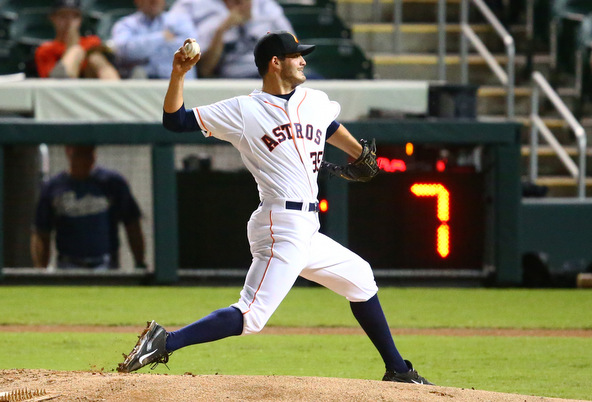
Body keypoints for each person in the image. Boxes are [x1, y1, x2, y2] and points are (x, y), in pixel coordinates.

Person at [117, 31, 433, 385]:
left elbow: (331, 128)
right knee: (251, 316)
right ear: (275, 62)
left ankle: (399, 371)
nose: (303, 61)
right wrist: (179, 74)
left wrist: (358, 155)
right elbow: (175, 121)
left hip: (308, 228)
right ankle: (164, 341)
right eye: (296, 56)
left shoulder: (314, 100)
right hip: (279, 223)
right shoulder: (243, 110)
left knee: (360, 279)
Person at [31, 145, 145, 270]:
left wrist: (139, 262)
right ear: (68, 152)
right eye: (80, 154)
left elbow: (132, 224)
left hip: (105, 263)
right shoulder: (54, 187)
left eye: (89, 153)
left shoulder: (112, 183)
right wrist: (41, 269)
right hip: (68, 264)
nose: (85, 159)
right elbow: (42, 232)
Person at [170, 0, 294, 78]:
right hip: (237, 77)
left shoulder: (266, 6)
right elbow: (204, 70)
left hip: (275, 73)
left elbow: (292, 46)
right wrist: (222, 30)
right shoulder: (192, 5)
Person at [110, 0, 198, 79]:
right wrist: (162, 37)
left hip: (178, 81)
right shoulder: (125, 24)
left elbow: (192, 50)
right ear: (137, 1)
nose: (154, 1)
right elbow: (125, 51)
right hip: (142, 84)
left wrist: (143, 52)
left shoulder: (180, 21)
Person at [35, 0, 120, 79]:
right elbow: (49, 80)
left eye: (74, 16)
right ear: (53, 18)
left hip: (92, 88)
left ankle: (117, 91)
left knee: (95, 58)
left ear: (81, 19)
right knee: (76, 51)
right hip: (60, 91)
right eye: (63, 16)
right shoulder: (45, 49)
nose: (69, 21)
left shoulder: (92, 41)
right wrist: (71, 48)